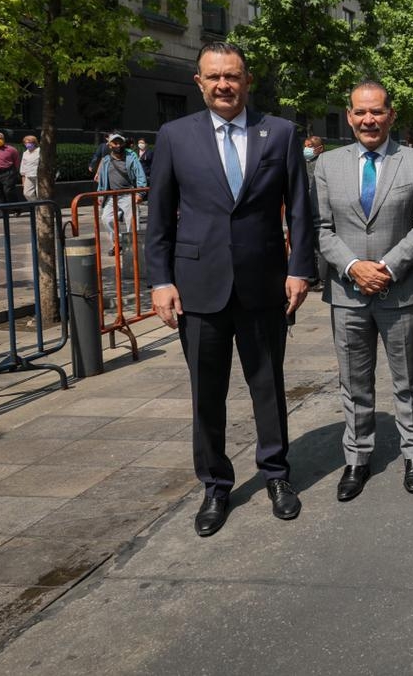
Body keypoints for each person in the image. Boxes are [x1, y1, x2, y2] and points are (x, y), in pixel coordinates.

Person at [145, 42, 315, 537]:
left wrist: (300, 269)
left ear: (247, 80)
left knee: (268, 386)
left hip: (265, 285)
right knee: (207, 394)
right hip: (198, 287)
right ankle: (216, 485)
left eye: (233, 76)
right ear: (198, 82)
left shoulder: (279, 133)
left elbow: (300, 209)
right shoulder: (175, 136)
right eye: (214, 77)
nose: (224, 85)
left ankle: (277, 475)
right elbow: (159, 218)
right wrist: (160, 281)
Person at [315, 81, 413, 500]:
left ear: (391, 114)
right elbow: (321, 228)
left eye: (377, 112)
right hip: (347, 292)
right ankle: (357, 458)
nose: (369, 119)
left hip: (401, 290)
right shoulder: (328, 165)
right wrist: (353, 267)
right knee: (354, 382)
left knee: (407, 379)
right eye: (360, 112)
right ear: (350, 116)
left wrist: (385, 267)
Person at [95, 133, 147, 256]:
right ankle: (118, 243)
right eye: (115, 143)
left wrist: (140, 193)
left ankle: (133, 246)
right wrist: (100, 195)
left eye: (120, 143)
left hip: (128, 194)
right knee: (106, 219)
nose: (118, 145)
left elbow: (140, 175)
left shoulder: (131, 157)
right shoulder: (107, 160)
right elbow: (102, 179)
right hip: (112, 196)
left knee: (132, 221)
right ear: (110, 145)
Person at [304, 135, 327, 290]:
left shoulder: (323, 164)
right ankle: (312, 277)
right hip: (305, 207)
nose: (306, 149)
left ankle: (323, 278)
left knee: (321, 244)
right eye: (305, 145)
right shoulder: (303, 163)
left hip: (320, 208)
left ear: (319, 149)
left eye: (310, 146)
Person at [19, 135, 41, 201]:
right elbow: (23, 165)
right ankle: (36, 207)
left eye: (30, 142)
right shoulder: (25, 153)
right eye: (26, 143)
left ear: (34, 143)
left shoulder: (40, 151)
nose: (28, 144)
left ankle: (42, 209)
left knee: (40, 193)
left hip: (39, 176)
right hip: (28, 175)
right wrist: (23, 179)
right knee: (27, 193)